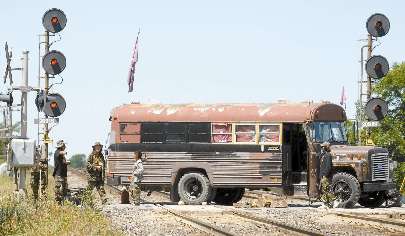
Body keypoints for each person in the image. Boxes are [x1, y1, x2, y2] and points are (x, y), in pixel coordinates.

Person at [319, 142, 335, 207]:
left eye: (323, 147)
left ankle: (330, 203)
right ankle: (327, 203)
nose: (322, 148)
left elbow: (328, 167)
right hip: (323, 175)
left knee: (326, 190)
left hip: (326, 176)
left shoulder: (328, 155)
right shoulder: (325, 155)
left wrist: (325, 175)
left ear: (326, 147)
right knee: (324, 190)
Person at [53, 140, 68, 204]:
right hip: (59, 175)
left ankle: (63, 203)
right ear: (61, 146)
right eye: (64, 145)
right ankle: (58, 204)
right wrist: (64, 152)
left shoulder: (61, 154)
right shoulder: (57, 152)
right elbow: (60, 153)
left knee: (64, 189)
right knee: (58, 190)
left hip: (63, 174)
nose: (65, 146)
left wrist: (66, 162)